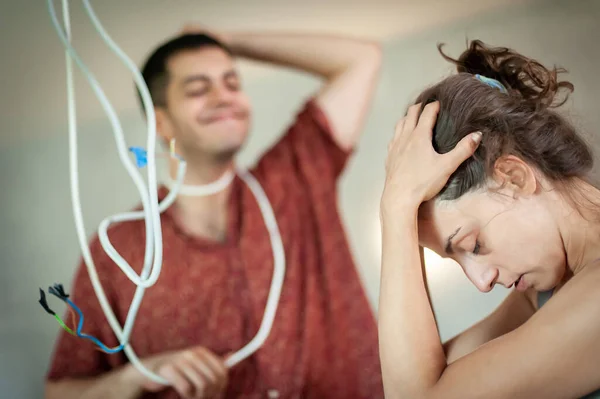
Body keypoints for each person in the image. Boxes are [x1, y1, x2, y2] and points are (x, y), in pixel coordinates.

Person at [45, 26, 384, 399]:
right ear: (161, 122)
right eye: (198, 89)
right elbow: (59, 391)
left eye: (232, 83)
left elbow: (362, 59)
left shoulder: (295, 175)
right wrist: (138, 376)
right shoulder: (116, 251)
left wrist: (225, 40)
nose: (223, 97)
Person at [378, 40, 600, 399]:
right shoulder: (545, 294)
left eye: (473, 245)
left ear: (514, 177)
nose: (481, 282)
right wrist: (400, 212)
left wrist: (395, 209)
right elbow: (414, 376)